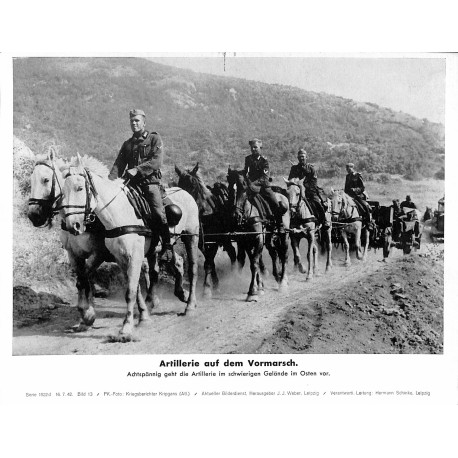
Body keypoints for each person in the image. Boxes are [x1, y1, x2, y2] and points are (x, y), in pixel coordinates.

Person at [108, 109, 171, 252]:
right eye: (132, 121)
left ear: (144, 122)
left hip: (150, 183)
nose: (134, 123)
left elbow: (156, 161)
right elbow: (118, 165)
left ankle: (167, 246)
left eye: (137, 121)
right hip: (131, 185)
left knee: (158, 212)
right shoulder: (128, 144)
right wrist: (109, 183)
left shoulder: (154, 138)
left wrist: (137, 169)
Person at [243, 138, 283, 228]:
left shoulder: (264, 161)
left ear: (260, 148)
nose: (253, 149)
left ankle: (280, 224)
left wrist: (253, 183)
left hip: (263, 186)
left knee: (275, 202)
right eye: (252, 147)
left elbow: (264, 178)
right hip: (251, 186)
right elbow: (246, 172)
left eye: (255, 147)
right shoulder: (248, 159)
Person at [288, 148, 328, 226]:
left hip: (310, 190)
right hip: (297, 190)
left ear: (306, 157)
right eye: (299, 157)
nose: (301, 158)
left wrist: (304, 186)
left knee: (317, 203)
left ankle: (323, 221)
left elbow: (314, 182)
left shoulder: (311, 168)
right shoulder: (294, 168)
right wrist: (294, 182)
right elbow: (290, 179)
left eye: (303, 156)